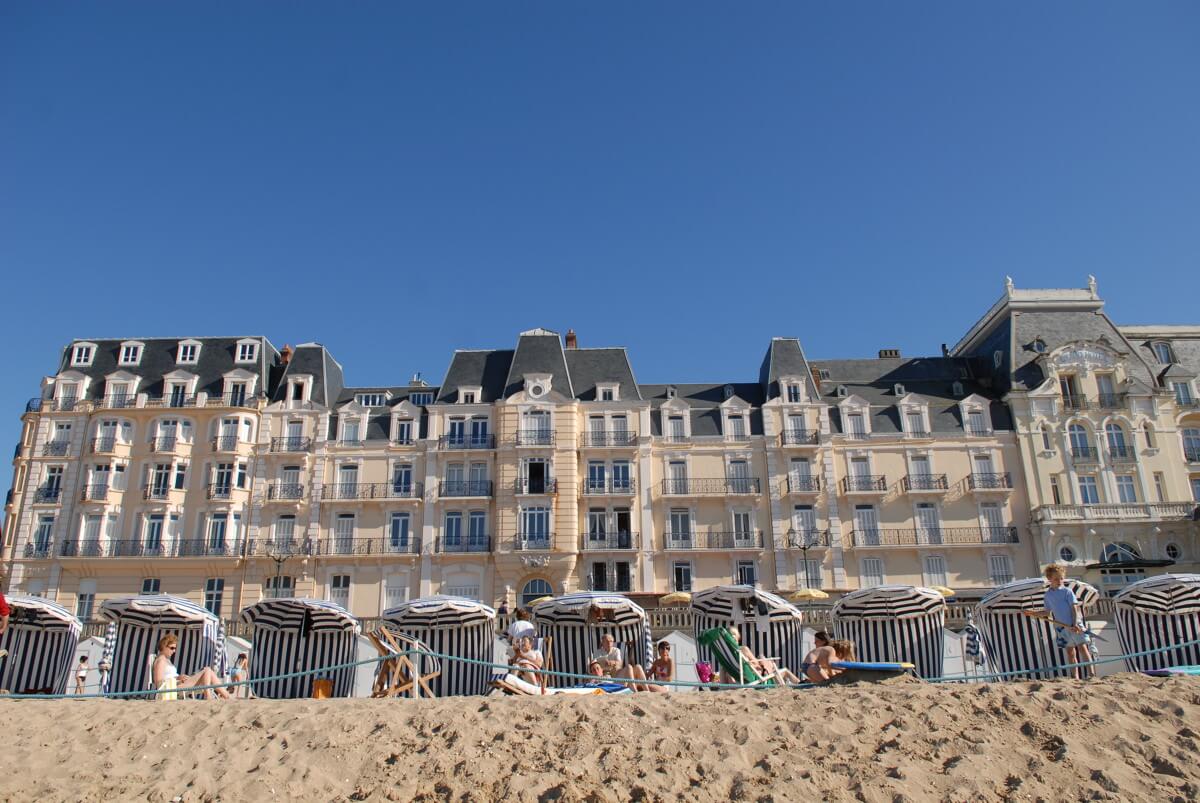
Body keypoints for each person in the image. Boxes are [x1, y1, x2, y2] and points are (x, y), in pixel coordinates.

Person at [1029, 563, 1094, 679]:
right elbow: (1047, 612)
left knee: (1082, 648)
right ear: (1049, 579)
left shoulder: (1067, 592)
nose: (1059, 581)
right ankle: (1075, 677)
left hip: (1075, 624)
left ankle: (1091, 674)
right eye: (1056, 579)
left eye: (1061, 578)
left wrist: (1074, 624)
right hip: (1062, 628)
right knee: (1070, 652)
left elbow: (1074, 608)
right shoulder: (1048, 595)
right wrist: (1033, 613)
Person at [152, 635, 231, 700]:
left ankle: (226, 696)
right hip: (173, 688)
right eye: (172, 648)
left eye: (175, 648)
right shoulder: (161, 661)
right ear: (164, 646)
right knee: (207, 670)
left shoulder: (166, 660)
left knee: (208, 671)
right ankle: (209, 696)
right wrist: (177, 678)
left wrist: (179, 678)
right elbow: (158, 682)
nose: (174, 651)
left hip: (178, 684)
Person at [726, 627, 802, 684]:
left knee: (763, 660)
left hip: (741, 680)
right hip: (757, 680)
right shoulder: (743, 649)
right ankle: (800, 684)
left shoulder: (727, 654)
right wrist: (765, 661)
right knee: (785, 671)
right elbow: (756, 663)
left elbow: (725, 670)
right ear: (736, 637)